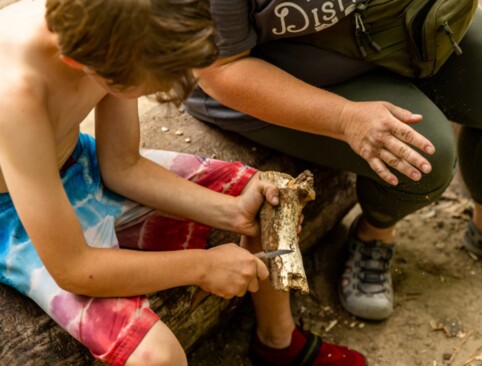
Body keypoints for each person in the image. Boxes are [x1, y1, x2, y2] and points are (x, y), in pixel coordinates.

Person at [0, 0, 366, 365]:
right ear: (82, 63)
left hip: (77, 162)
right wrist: (203, 266)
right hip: (14, 214)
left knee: (266, 197)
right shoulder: (15, 95)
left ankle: (278, 341)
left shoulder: (117, 25)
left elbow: (122, 166)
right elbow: (74, 269)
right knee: (157, 358)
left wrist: (234, 212)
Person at [184, 0, 482, 322]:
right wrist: (343, 118)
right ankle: (374, 234)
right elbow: (221, 70)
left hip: (390, 21)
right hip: (279, 69)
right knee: (421, 154)